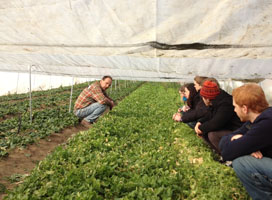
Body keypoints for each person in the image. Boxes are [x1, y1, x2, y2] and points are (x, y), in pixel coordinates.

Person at [219, 83, 272, 200]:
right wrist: (241, 142)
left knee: (241, 163)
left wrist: (243, 145)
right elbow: (223, 141)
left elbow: (227, 153)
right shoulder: (254, 120)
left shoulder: (267, 122)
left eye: (235, 106)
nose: (234, 110)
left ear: (244, 108)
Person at [194, 79, 243, 153]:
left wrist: (200, 129)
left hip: (238, 130)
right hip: (230, 128)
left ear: (207, 99)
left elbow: (216, 123)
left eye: (203, 98)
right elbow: (209, 115)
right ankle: (221, 154)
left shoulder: (225, 104)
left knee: (213, 135)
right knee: (205, 131)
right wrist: (200, 122)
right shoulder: (216, 101)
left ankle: (229, 158)